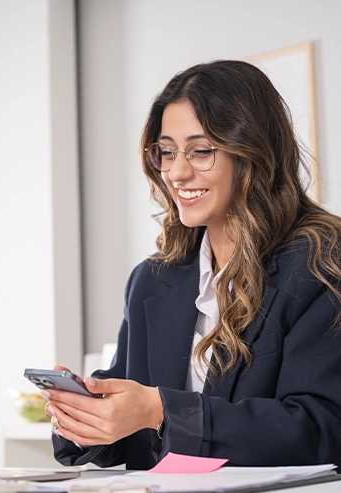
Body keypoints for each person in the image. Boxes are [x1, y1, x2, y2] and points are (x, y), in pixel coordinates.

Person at [43, 60, 341, 469]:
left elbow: (322, 429)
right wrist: (83, 414)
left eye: (201, 151)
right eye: (166, 151)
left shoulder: (321, 264)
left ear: (252, 152)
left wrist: (162, 411)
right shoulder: (153, 280)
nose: (177, 173)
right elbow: (132, 440)